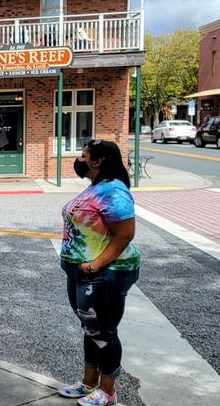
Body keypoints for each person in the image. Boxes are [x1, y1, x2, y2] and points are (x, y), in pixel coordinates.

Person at [58, 139, 140, 406]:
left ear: (97, 162)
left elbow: (125, 234)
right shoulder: (96, 187)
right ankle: (89, 383)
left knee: (103, 331)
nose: (79, 160)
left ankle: (108, 390)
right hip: (81, 273)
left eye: (84, 156)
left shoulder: (114, 191)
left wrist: (94, 265)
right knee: (91, 329)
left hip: (105, 274)